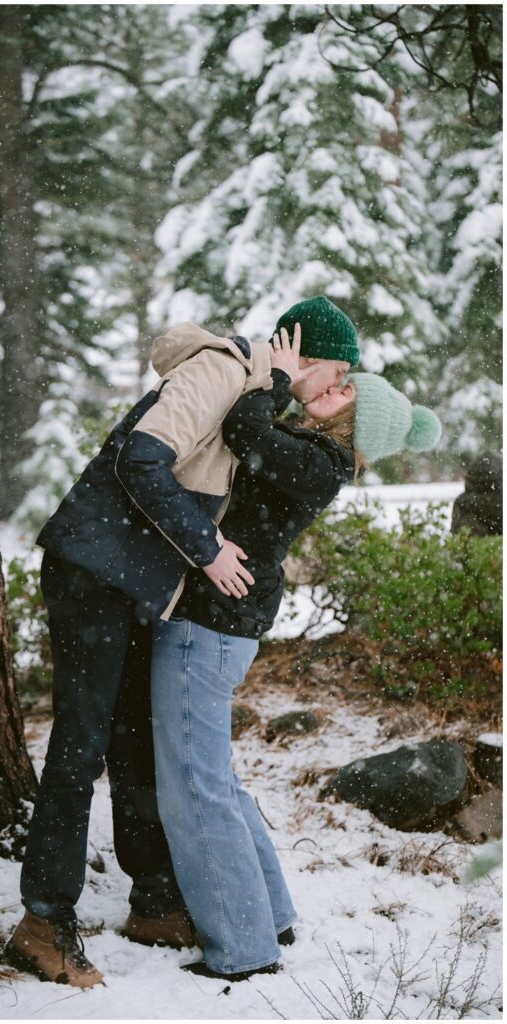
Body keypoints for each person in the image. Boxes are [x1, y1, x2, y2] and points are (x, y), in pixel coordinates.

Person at [6, 298, 359, 987]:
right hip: (92, 571)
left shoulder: (255, 397)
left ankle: (156, 902)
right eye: (336, 374)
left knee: (134, 739)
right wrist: (205, 549)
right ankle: (43, 920)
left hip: (138, 582)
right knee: (79, 745)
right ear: (305, 360)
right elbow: (141, 459)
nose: (336, 391)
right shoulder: (221, 370)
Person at [150, 324, 442, 981]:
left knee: (193, 787)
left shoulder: (320, 464)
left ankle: (243, 951)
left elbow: (245, 433)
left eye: (342, 392)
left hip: (210, 622)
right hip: (219, 620)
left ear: (355, 424)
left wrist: (278, 377)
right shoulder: (309, 450)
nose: (331, 387)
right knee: (212, 777)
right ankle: (270, 915)